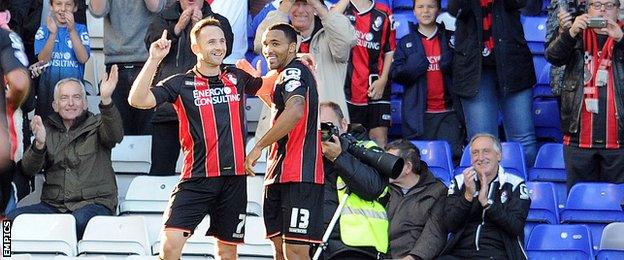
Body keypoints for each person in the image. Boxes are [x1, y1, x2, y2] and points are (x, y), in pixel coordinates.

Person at [128, 18, 264, 260]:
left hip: (233, 181)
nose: (219, 46)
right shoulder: (180, 83)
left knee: (227, 252)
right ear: (196, 48)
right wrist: (154, 60)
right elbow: (137, 100)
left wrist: (299, 65)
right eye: (211, 41)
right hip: (196, 179)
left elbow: (269, 86)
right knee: (169, 247)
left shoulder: (237, 76)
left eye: (222, 41)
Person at [6, 69, 123, 239]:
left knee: (74, 223)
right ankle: (6, 255)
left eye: (76, 97)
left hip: (94, 204)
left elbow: (115, 135)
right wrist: (39, 144)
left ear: (85, 103)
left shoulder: (98, 124)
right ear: (55, 105)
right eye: (64, 98)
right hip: (54, 207)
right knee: (9, 222)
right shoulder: (47, 129)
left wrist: (106, 100)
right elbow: (28, 170)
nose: (70, 103)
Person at [245, 23, 325, 260]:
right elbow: (284, 110)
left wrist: (259, 145)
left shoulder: (294, 71)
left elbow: (296, 110)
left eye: (276, 44)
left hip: (300, 175)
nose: (268, 49)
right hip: (278, 173)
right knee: (280, 250)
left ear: (293, 47)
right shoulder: (285, 74)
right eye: (266, 44)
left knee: (296, 251)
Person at [144, 0, 233, 175]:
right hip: (167, 110)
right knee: (160, 170)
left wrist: (202, 30)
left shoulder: (217, 21)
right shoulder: (163, 18)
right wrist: (176, 29)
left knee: (205, 170)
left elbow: (226, 49)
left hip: (204, 109)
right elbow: (151, 45)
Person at [448, 0, 538, 166]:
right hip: (474, 69)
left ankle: (525, 189)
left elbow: (527, 5)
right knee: (482, 142)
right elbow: (455, 9)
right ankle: (486, 190)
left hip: (513, 64)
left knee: (523, 141)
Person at [545, 0, 624, 189]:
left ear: (618, 9)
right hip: (578, 140)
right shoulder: (576, 33)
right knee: (578, 202)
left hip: (620, 141)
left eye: (609, 5)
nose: (603, 10)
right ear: (587, 9)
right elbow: (553, 57)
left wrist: (621, 39)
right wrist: (569, 33)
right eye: (597, 5)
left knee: (618, 209)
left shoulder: (622, 33)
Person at [253, 0, 356, 127]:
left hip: (325, 126)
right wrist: (286, 4)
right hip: (283, 126)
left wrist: (319, 6)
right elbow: (260, 43)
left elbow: (346, 40)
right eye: (295, 3)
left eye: (306, 3)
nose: (300, 10)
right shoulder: (280, 38)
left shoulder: (332, 35)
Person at [390, 0, 463, 162]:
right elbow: (395, 73)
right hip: (419, 117)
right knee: (419, 165)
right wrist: (413, 66)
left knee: (449, 162)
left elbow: (464, 72)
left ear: (438, 10)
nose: (426, 11)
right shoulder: (406, 42)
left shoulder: (451, 39)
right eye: (420, 7)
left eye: (430, 6)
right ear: (414, 11)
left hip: (449, 114)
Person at [438, 133, 531, 260]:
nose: (480, 158)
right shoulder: (460, 182)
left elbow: (515, 226)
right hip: (460, 253)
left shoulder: (515, 184)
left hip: (498, 254)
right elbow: (449, 224)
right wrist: (468, 196)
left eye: (486, 151)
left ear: (499, 155)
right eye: (475, 153)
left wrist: (487, 204)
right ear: (471, 159)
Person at [319, 101, 389, 259]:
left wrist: (339, 157)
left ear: (343, 124)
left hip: (359, 248)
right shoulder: (310, 155)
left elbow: (373, 188)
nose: (323, 134)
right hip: (319, 245)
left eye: (327, 127)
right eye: (318, 129)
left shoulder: (368, 149)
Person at [88, 0, 166, 135]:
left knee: (147, 134)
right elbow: (97, 11)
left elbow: (155, 6)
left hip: (146, 63)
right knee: (118, 135)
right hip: (115, 64)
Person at [342, 0, 395, 148]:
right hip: (347, 87)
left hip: (376, 85)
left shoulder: (384, 12)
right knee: (348, 139)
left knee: (379, 140)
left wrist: (383, 80)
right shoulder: (341, 10)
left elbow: (389, 50)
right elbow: (329, 21)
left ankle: (378, 172)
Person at [384, 139, 447, 260]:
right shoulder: (379, 187)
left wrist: (413, 257)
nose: (383, 166)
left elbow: (434, 233)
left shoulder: (437, 191)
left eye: (389, 161)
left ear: (408, 167)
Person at [33, 0, 90, 118]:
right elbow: (42, 60)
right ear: (51, 6)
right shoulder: (43, 30)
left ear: (75, 8)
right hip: (48, 94)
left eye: (68, 4)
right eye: (58, 4)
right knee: (47, 131)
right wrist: (53, 34)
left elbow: (83, 58)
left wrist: (71, 30)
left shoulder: (80, 29)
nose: (63, 9)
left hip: (73, 98)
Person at [0, 28, 30, 214]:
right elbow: (19, 83)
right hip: (2, 152)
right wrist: (11, 105)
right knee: (6, 218)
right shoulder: (4, 37)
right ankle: (6, 243)